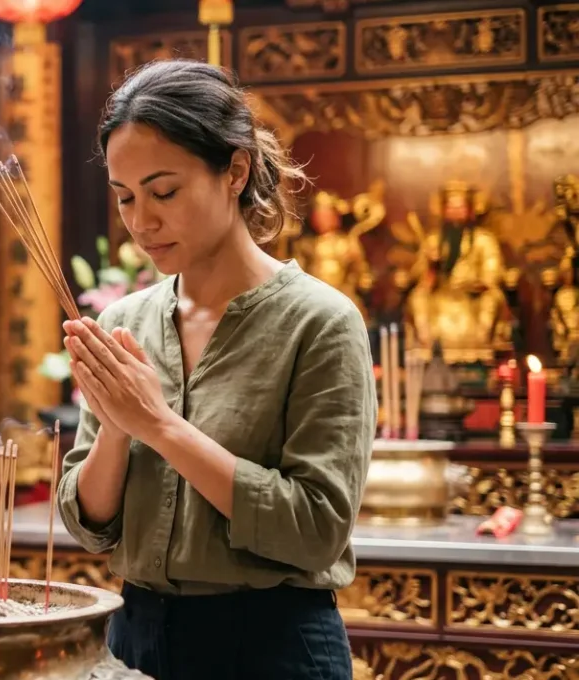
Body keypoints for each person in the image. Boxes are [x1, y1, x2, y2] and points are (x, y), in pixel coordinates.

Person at [58, 59, 374, 680]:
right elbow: (90, 524)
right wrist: (119, 427)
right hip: (135, 638)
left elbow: (315, 530)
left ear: (235, 170)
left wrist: (157, 423)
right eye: (125, 197)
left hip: (271, 645)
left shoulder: (322, 322)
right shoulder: (128, 318)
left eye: (164, 191)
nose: (142, 221)